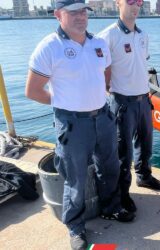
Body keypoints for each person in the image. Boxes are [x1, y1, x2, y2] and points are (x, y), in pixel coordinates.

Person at [25, 1, 134, 249]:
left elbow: (105, 74)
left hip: (103, 118)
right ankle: (75, 225)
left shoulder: (98, 43)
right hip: (73, 124)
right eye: (73, 12)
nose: (80, 16)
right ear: (57, 15)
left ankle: (111, 208)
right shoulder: (50, 47)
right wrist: (66, 101)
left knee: (109, 167)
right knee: (74, 177)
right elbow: (32, 91)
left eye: (83, 11)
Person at [98, 0, 160, 213]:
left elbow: (141, 64)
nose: (136, 6)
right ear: (118, 3)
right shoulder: (107, 36)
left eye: (139, 2)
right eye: (130, 2)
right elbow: (99, 71)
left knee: (145, 144)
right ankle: (122, 193)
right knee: (123, 152)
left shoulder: (143, 35)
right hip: (122, 102)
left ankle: (144, 176)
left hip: (143, 100)